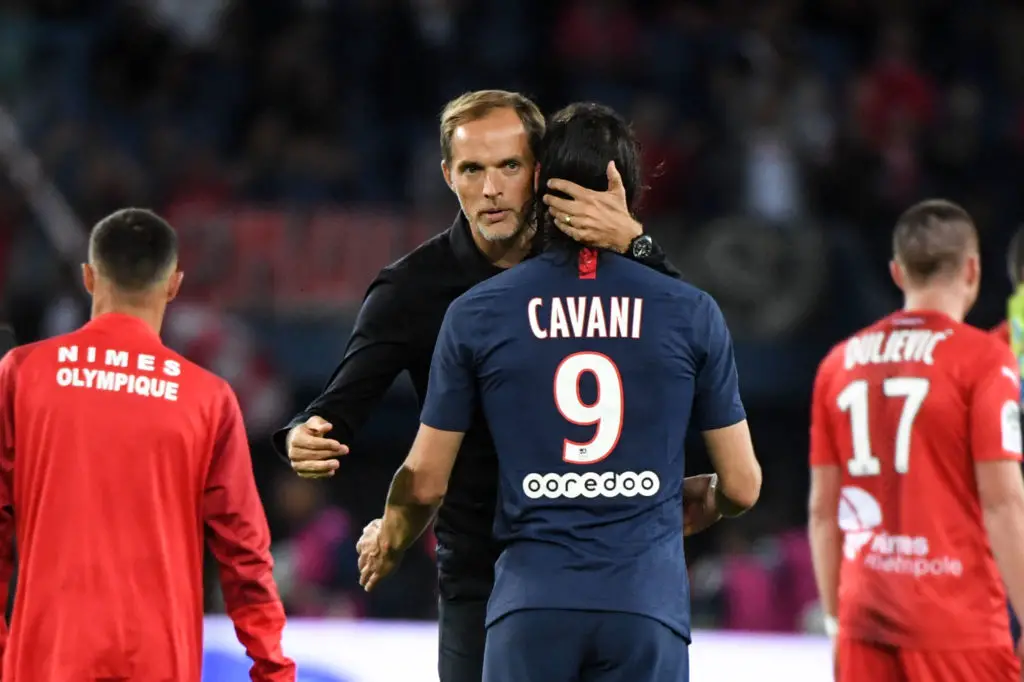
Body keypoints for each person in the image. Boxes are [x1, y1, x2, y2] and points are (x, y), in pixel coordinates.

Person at [275, 89, 693, 682]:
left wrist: (635, 243)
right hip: (480, 573)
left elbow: (692, 335)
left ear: (539, 172)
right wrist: (304, 434)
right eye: (473, 169)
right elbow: (338, 406)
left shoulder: (599, 264)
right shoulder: (413, 289)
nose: (492, 188)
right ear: (449, 175)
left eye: (509, 166)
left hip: (604, 574)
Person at [356, 102, 762, 682]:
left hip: (530, 606)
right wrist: (707, 499)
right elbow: (743, 485)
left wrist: (392, 536)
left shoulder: (476, 313)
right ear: (629, 191)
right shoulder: (691, 311)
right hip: (645, 607)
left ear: (538, 182)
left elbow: (424, 480)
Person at [0, 209, 294, 681]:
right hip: (158, 661)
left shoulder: (23, 374)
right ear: (174, 285)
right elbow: (244, 555)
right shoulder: (207, 399)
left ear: (89, 277)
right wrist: (272, 670)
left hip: (48, 659)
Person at [808, 199, 1024, 682]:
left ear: (897, 272)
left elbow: (823, 511)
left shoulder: (838, 364)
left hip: (864, 624)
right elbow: (1003, 503)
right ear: (973, 270)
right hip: (959, 624)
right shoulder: (986, 360)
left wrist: (836, 623)